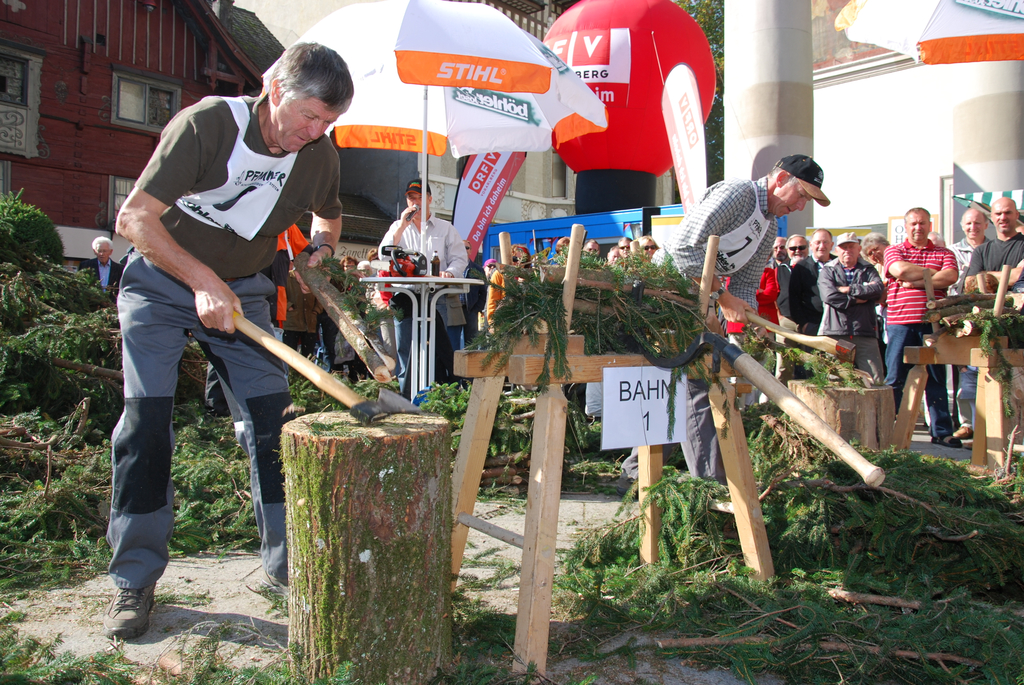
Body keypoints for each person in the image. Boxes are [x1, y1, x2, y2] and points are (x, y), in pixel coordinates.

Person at [104, 42, 354, 639]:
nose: (314, 132)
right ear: (275, 89)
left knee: (274, 421)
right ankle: (134, 577)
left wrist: (321, 249)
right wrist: (200, 280)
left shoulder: (318, 155)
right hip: (160, 283)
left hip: (243, 293)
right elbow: (134, 219)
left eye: (327, 122)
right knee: (145, 423)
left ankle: (291, 567)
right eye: (308, 115)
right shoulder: (209, 125)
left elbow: (328, 214)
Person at [659, 154, 830, 484]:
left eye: (806, 201)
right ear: (781, 179)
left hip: (699, 302)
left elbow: (746, 285)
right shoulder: (738, 195)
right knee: (697, 379)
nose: (799, 207)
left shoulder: (769, 227)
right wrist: (722, 298)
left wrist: (748, 322)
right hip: (667, 293)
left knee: (683, 383)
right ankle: (712, 482)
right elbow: (683, 250)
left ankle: (636, 470)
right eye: (801, 196)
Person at [378, 179, 468, 398]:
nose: (415, 203)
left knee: (440, 349)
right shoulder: (398, 227)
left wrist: (449, 273)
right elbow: (383, 255)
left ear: (430, 199)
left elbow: (460, 259)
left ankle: (439, 397)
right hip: (405, 296)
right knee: (405, 350)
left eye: (419, 198)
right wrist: (402, 226)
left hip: (437, 296)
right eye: (411, 198)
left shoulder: (446, 228)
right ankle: (406, 398)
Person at [884, 207, 960, 447]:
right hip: (901, 322)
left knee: (936, 379)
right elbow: (900, 270)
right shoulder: (894, 250)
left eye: (923, 223)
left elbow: (951, 276)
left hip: (933, 324)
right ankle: (888, 429)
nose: (918, 227)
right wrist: (932, 276)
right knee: (895, 377)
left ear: (930, 225)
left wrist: (914, 281)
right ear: (906, 226)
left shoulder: (944, 252)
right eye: (914, 223)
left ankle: (941, 432)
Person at [818, 233, 885, 383]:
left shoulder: (869, 269)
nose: (847, 250)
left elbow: (878, 290)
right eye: (843, 247)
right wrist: (858, 298)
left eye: (851, 246)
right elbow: (829, 296)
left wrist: (848, 289)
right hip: (835, 332)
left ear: (859, 249)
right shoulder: (828, 270)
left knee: (874, 381)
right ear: (837, 250)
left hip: (865, 330)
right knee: (835, 380)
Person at [971, 197, 1024, 293]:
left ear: (1017, 215)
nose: (1003, 217)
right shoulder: (981, 251)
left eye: (1008, 212)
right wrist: (1011, 275)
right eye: (998, 214)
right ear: (991, 217)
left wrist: (984, 275)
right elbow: (971, 283)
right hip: (987, 302)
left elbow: (1019, 276)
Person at [789, 229, 834, 334]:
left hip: (837, 323)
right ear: (811, 245)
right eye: (818, 242)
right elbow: (794, 298)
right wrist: (804, 323)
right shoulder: (801, 267)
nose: (822, 246)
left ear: (831, 245)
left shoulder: (839, 264)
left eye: (825, 242)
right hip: (812, 324)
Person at [776, 234, 807, 326]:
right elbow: (774, 293)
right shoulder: (780, 269)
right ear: (787, 250)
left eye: (801, 247)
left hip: (810, 319)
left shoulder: (815, 267)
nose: (797, 251)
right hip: (786, 319)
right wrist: (779, 315)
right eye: (793, 248)